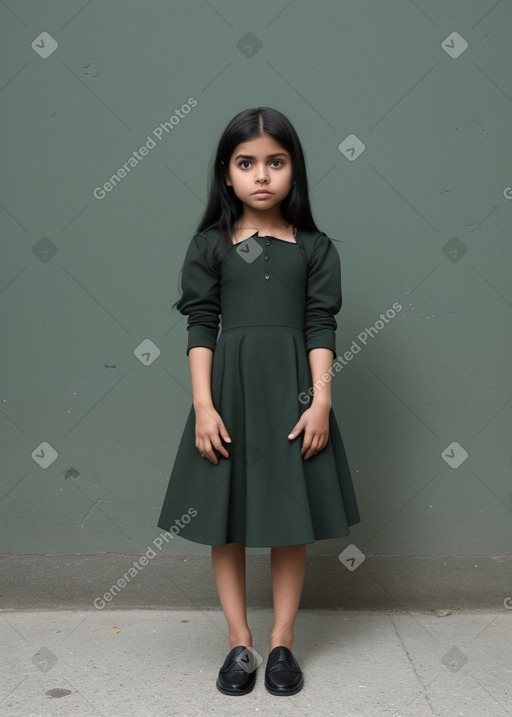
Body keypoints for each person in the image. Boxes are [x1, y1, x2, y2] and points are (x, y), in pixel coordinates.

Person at [157, 106, 361, 697]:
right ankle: (239, 644)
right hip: (229, 397)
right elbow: (201, 323)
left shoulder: (316, 249)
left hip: (294, 398)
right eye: (247, 163)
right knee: (227, 523)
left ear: (294, 169)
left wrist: (320, 402)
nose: (262, 175)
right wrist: (203, 405)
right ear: (227, 174)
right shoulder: (211, 246)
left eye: (276, 161)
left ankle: (282, 645)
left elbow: (321, 324)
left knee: (287, 521)